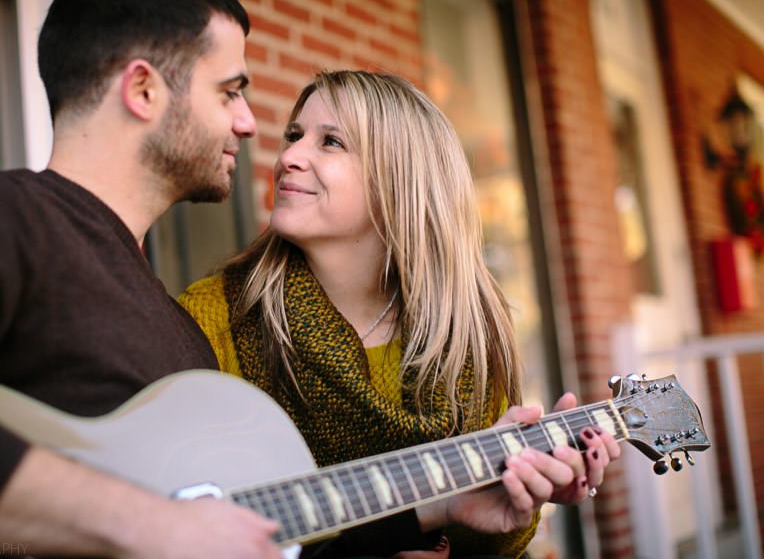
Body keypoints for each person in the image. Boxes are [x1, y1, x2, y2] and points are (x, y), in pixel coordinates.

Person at [0, 0, 286, 557]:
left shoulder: (183, 332)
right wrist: (153, 524)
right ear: (143, 90)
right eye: (230, 92)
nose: (248, 122)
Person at [179, 70, 622, 558]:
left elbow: (490, 541)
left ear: (399, 180)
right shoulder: (215, 317)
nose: (288, 157)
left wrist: (520, 496)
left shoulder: (462, 336)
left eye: (331, 142)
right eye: (294, 135)